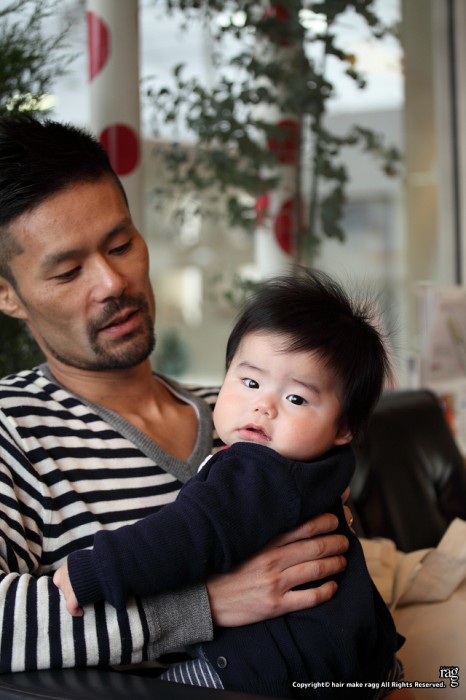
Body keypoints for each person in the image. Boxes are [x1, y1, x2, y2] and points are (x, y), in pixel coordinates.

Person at [0, 115, 350, 675]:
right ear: (8, 294)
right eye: (68, 272)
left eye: (121, 244)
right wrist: (202, 605)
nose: (112, 282)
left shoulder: (247, 411)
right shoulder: (13, 428)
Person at [54, 270, 403, 699]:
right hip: (353, 659)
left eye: (295, 398)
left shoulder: (259, 470)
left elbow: (187, 533)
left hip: (274, 671)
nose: (263, 406)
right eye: (250, 382)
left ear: (344, 427)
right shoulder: (318, 468)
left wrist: (99, 569)